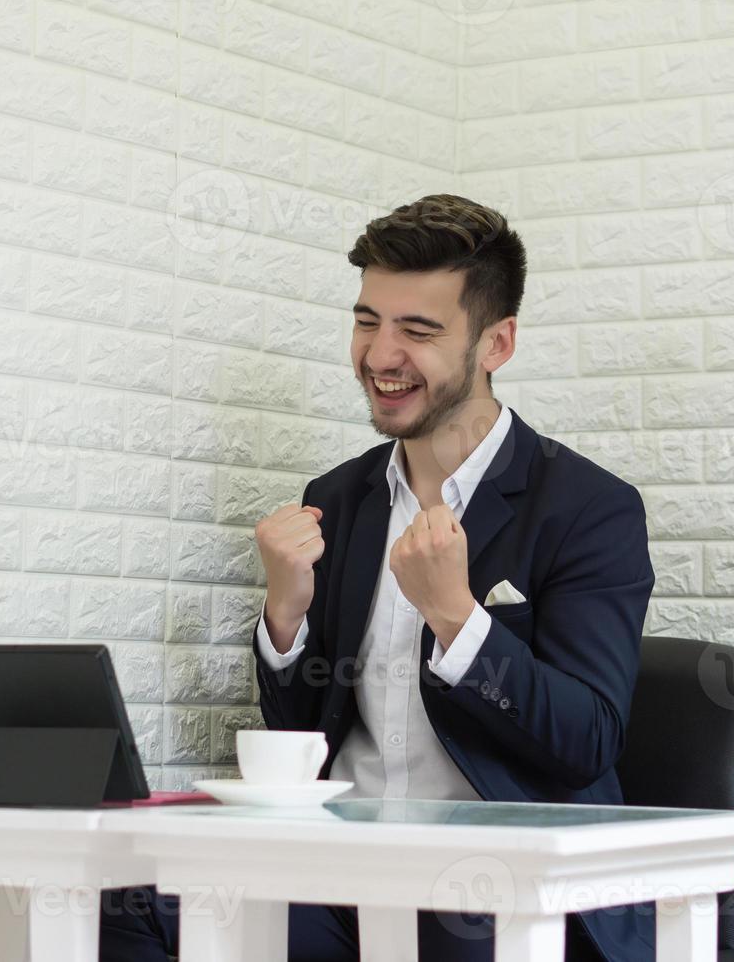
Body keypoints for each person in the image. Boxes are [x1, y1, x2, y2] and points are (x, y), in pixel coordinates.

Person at [100, 194, 655, 961]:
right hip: (340, 873)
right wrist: (286, 617)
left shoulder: (588, 509)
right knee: (129, 904)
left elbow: (586, 739)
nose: (380, 356)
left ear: (497, 343)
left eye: (417, 330)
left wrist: (459, 619)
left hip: (496, 880)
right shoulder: (337, 498)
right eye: (367, 321)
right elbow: (302, 732)